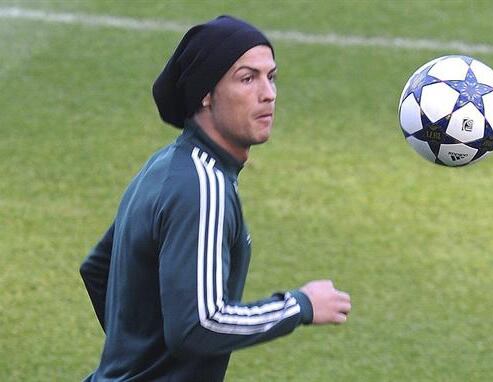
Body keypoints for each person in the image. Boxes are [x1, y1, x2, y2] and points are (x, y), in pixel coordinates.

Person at [79, 15, 351, 381]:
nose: (268, 93)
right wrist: (300, 306)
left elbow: (98, 268)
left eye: (271, 77)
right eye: (247, 78)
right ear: (205, 93)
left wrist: (137, 356)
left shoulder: (166, 164)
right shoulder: (202, 187)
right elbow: (199, 324)